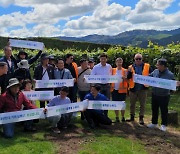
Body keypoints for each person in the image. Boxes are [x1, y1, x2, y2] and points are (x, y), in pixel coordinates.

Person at [147, 59, 180, 131]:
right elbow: (149, 77)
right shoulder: (155, 71)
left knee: (164, 110)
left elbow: (173, 83)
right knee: (154, 109)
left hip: (164, 96)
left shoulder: (170, 74)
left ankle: (163, 124)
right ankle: (154, 123)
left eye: (158, 65)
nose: (157, 66)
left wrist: (176, 84)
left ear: (163, 66)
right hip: (155, 94)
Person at [127, 53, 152, 125]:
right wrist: (129, 72)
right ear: (134, 59)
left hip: (143, 88)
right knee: (132, 104)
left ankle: (141, 118)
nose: (138, 60)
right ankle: (132, 117)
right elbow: (128, 77)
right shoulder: (130, 67)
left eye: (139, 59)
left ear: (142, 59)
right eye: (136, 59)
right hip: (133, 88)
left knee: (142, 104)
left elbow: (152, 75)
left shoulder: (147, 66)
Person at [111, 58, 128, 122]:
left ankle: (123, 117)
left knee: (122, 104)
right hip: (114, 90)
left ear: (122, 63)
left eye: (120, 62)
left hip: (122, 90)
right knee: (115, 104)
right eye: (118, 62)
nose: (119, 63)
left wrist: (124, 78)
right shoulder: (113, 70)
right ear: (116, 63)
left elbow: (128, 80)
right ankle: (117, 117)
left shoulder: (125, 71)